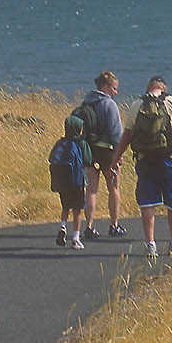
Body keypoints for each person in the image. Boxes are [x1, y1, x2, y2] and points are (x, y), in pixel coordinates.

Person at [111, 75, 172, 258]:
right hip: (169, 159)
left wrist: (116, 158)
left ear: (148, 88)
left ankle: (150, 244)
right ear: (163, 88)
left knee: (147, 204)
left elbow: (127, 135)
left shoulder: (136, 105)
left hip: (145, 160)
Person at [75, 71, 127, 240]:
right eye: (114, 88)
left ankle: (89, 227)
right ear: (105, 87)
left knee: (91, 189)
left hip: (90, 151)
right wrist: (118, 156)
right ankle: (114, 225)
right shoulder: (109, 105)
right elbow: (116, 134)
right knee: (113, 189)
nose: (115, 92)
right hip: (107, 152)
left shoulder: (86, 102)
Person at [48, 114, 92, 250]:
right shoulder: (81, 143)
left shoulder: (60, 143)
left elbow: (51, 158)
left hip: (63, 183)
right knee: (77, 210)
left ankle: (63, 226)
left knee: (65, 207)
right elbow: (88, 160)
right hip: (78, 182)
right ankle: (75, 238)